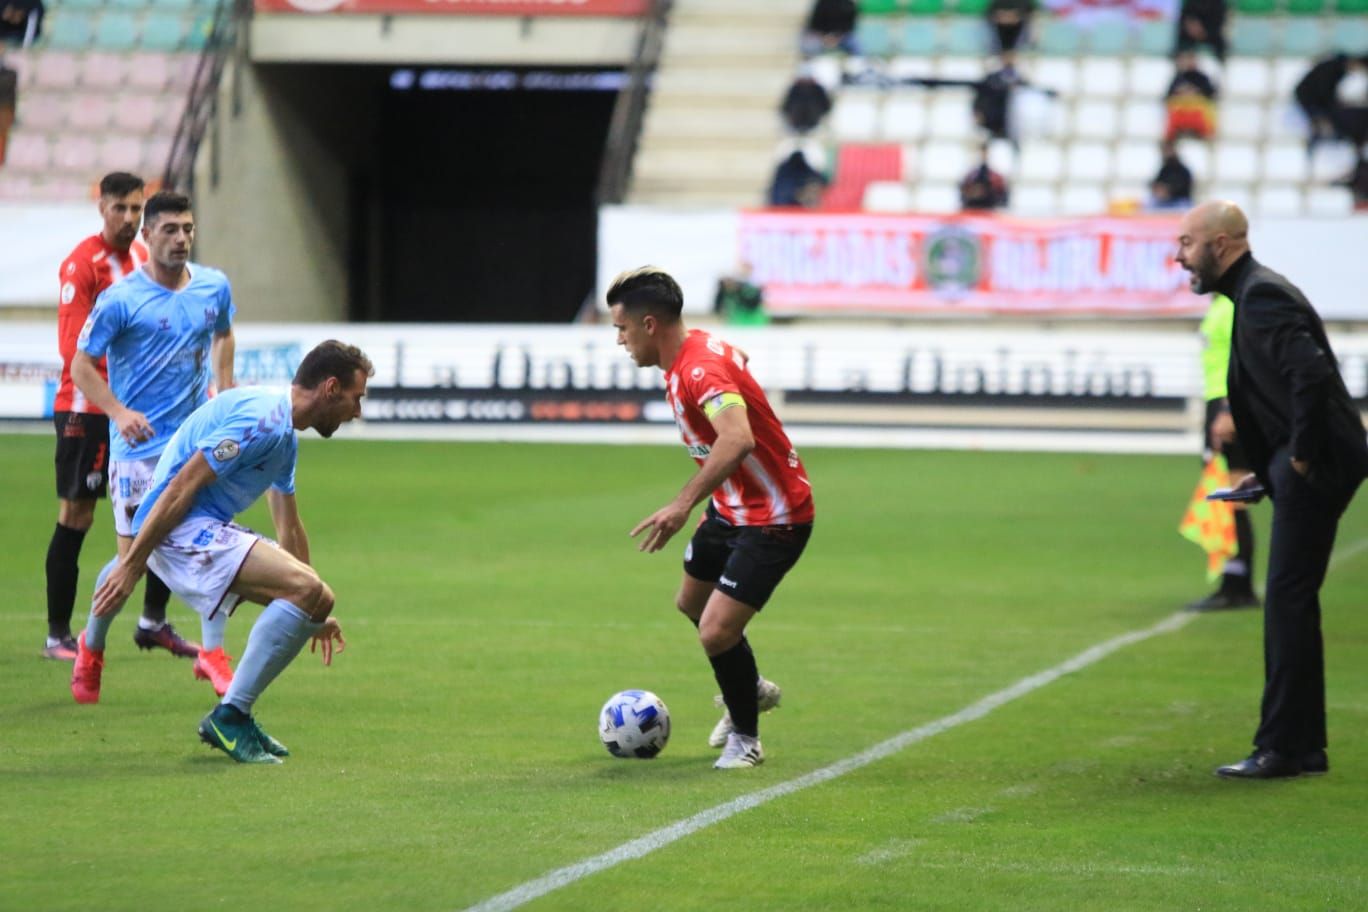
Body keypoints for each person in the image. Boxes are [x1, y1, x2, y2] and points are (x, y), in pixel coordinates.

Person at [77, 341, 368, 764]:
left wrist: (312, 610)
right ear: (330, 388)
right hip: (176, 531)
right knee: (308, 591)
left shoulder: (283, 435)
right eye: (356, 398)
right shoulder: (263, 421)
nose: (356, 411)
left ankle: (234, 714)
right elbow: (182, 485)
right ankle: (230, 716)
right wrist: (131, 565)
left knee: (317, 593)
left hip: (197, 526)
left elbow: (289, 525)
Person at [1175, 200, 1368, 779]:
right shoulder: (1252, 294)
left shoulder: (1261, 295)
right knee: (1292, 601)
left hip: (1318, 461)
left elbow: (1309, 376)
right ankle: (1300, 745)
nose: (1179, 255)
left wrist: (1302, 458)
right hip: (1300, 458)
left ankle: (1285, 747)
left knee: (1287, 600)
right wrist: (1272, 464)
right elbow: (1287, 388)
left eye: (1187, 243)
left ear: (1222, 244)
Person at [607, 267, 814, 770]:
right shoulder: (693, 352)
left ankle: (746, 737)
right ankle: (749, 688)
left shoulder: (699, 369)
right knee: (691, 602)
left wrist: (682, 504)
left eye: (622, 329)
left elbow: (739, 438)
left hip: (774, 514)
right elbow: (734, 356)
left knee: (717, 632)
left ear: (650, 324)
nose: (620, 340)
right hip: (731, 507)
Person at [71, 189, 236, 687]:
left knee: (214, 546)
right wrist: (118, 412)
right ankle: (91, 645)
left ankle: (213, 652)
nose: (182, 238)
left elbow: (224, 332)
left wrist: (224, 391)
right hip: (139, 454)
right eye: (170, 229)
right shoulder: (121, 299)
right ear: (147, 236)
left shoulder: (213, 287)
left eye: (188, 229)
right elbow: (81, 365)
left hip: (193, 447)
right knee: (132, 563)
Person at [42, 172, 150, 661]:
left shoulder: (145, 260)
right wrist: (116, 406)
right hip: (88, 410)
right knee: (77, 515)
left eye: (136, 209)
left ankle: (154, 621)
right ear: (101, 208)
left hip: (135, 410)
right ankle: (57, 634)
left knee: (162, 508)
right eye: (120, 209)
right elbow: (73, 351)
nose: (129, 219)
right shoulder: (82, 265)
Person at [1184, 291, 1259, 612]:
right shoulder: (1220, 304)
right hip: (1222, 403)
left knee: (1230, 496)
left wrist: (1228, 409)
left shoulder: (1231, 305)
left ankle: (1236, 585)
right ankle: (1235, 582)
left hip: (1228, 405)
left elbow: (1245, 358)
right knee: (1227, 497)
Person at [1295, 54, 1368, 151]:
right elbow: (1321, 93)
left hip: (1314, 101)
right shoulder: (1332, 68)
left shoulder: (1339, 68)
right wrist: (1321, 116)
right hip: (1308, 101)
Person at [1165, 51, 1218, 142]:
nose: (1190, 63)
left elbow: (1211, 94)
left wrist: (1196, 92)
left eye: (1192, 60)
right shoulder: (1179, 77)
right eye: (1188, 60)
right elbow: (1168, 95)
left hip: (1198, 108)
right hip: (1181, 109)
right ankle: (1172, 137)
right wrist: (1181, 92)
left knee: (1207, 110)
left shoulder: (1203, 78)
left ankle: (1205, 135)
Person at [959, 142, 1010, 211]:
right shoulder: (970, 176)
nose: (984, 155)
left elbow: (1003, 198)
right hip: (973, 210)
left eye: (986, 153)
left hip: (990, 211)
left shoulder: (996, 177)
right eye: (982, 153)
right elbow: (963, 195)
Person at [1173, 0, 1227, 64]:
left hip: (1211, 34)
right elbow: (1185, 17)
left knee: (1220, 45)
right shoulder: (1191, 3)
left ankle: (1222, 64)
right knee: (1182, 43)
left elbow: (1220, 20)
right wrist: (1191, 28)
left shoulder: (1218, 3)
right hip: (1190, 33)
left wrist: (1203, 31)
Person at [1149, 139, 1194, 210]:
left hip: (1178, 201)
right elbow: (1156, 182)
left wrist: (1168, 191)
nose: (1166, 153)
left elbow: (1184, 186)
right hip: (1165, 201)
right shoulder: (1164, 169)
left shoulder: (1183, 169)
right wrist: (1157, 189)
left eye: (1168, 150)